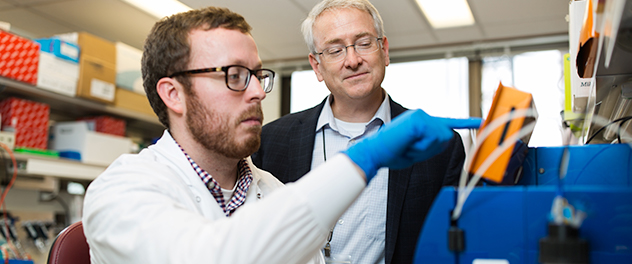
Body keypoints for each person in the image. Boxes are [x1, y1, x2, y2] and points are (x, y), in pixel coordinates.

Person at [81, 5, 481, 264]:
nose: (257, 91)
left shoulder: (270, 189)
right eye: (235, 76)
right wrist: (364, 159)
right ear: (173, 94)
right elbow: (209, 256)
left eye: (257, 75)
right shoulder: (123, 190)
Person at [252, 0, 469, 263]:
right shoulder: (271, 141)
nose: (353, 60)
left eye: (364, 43)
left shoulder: (438, 146)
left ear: (384, 50)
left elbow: (452, 243)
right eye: (335, 50)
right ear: (317, 66)